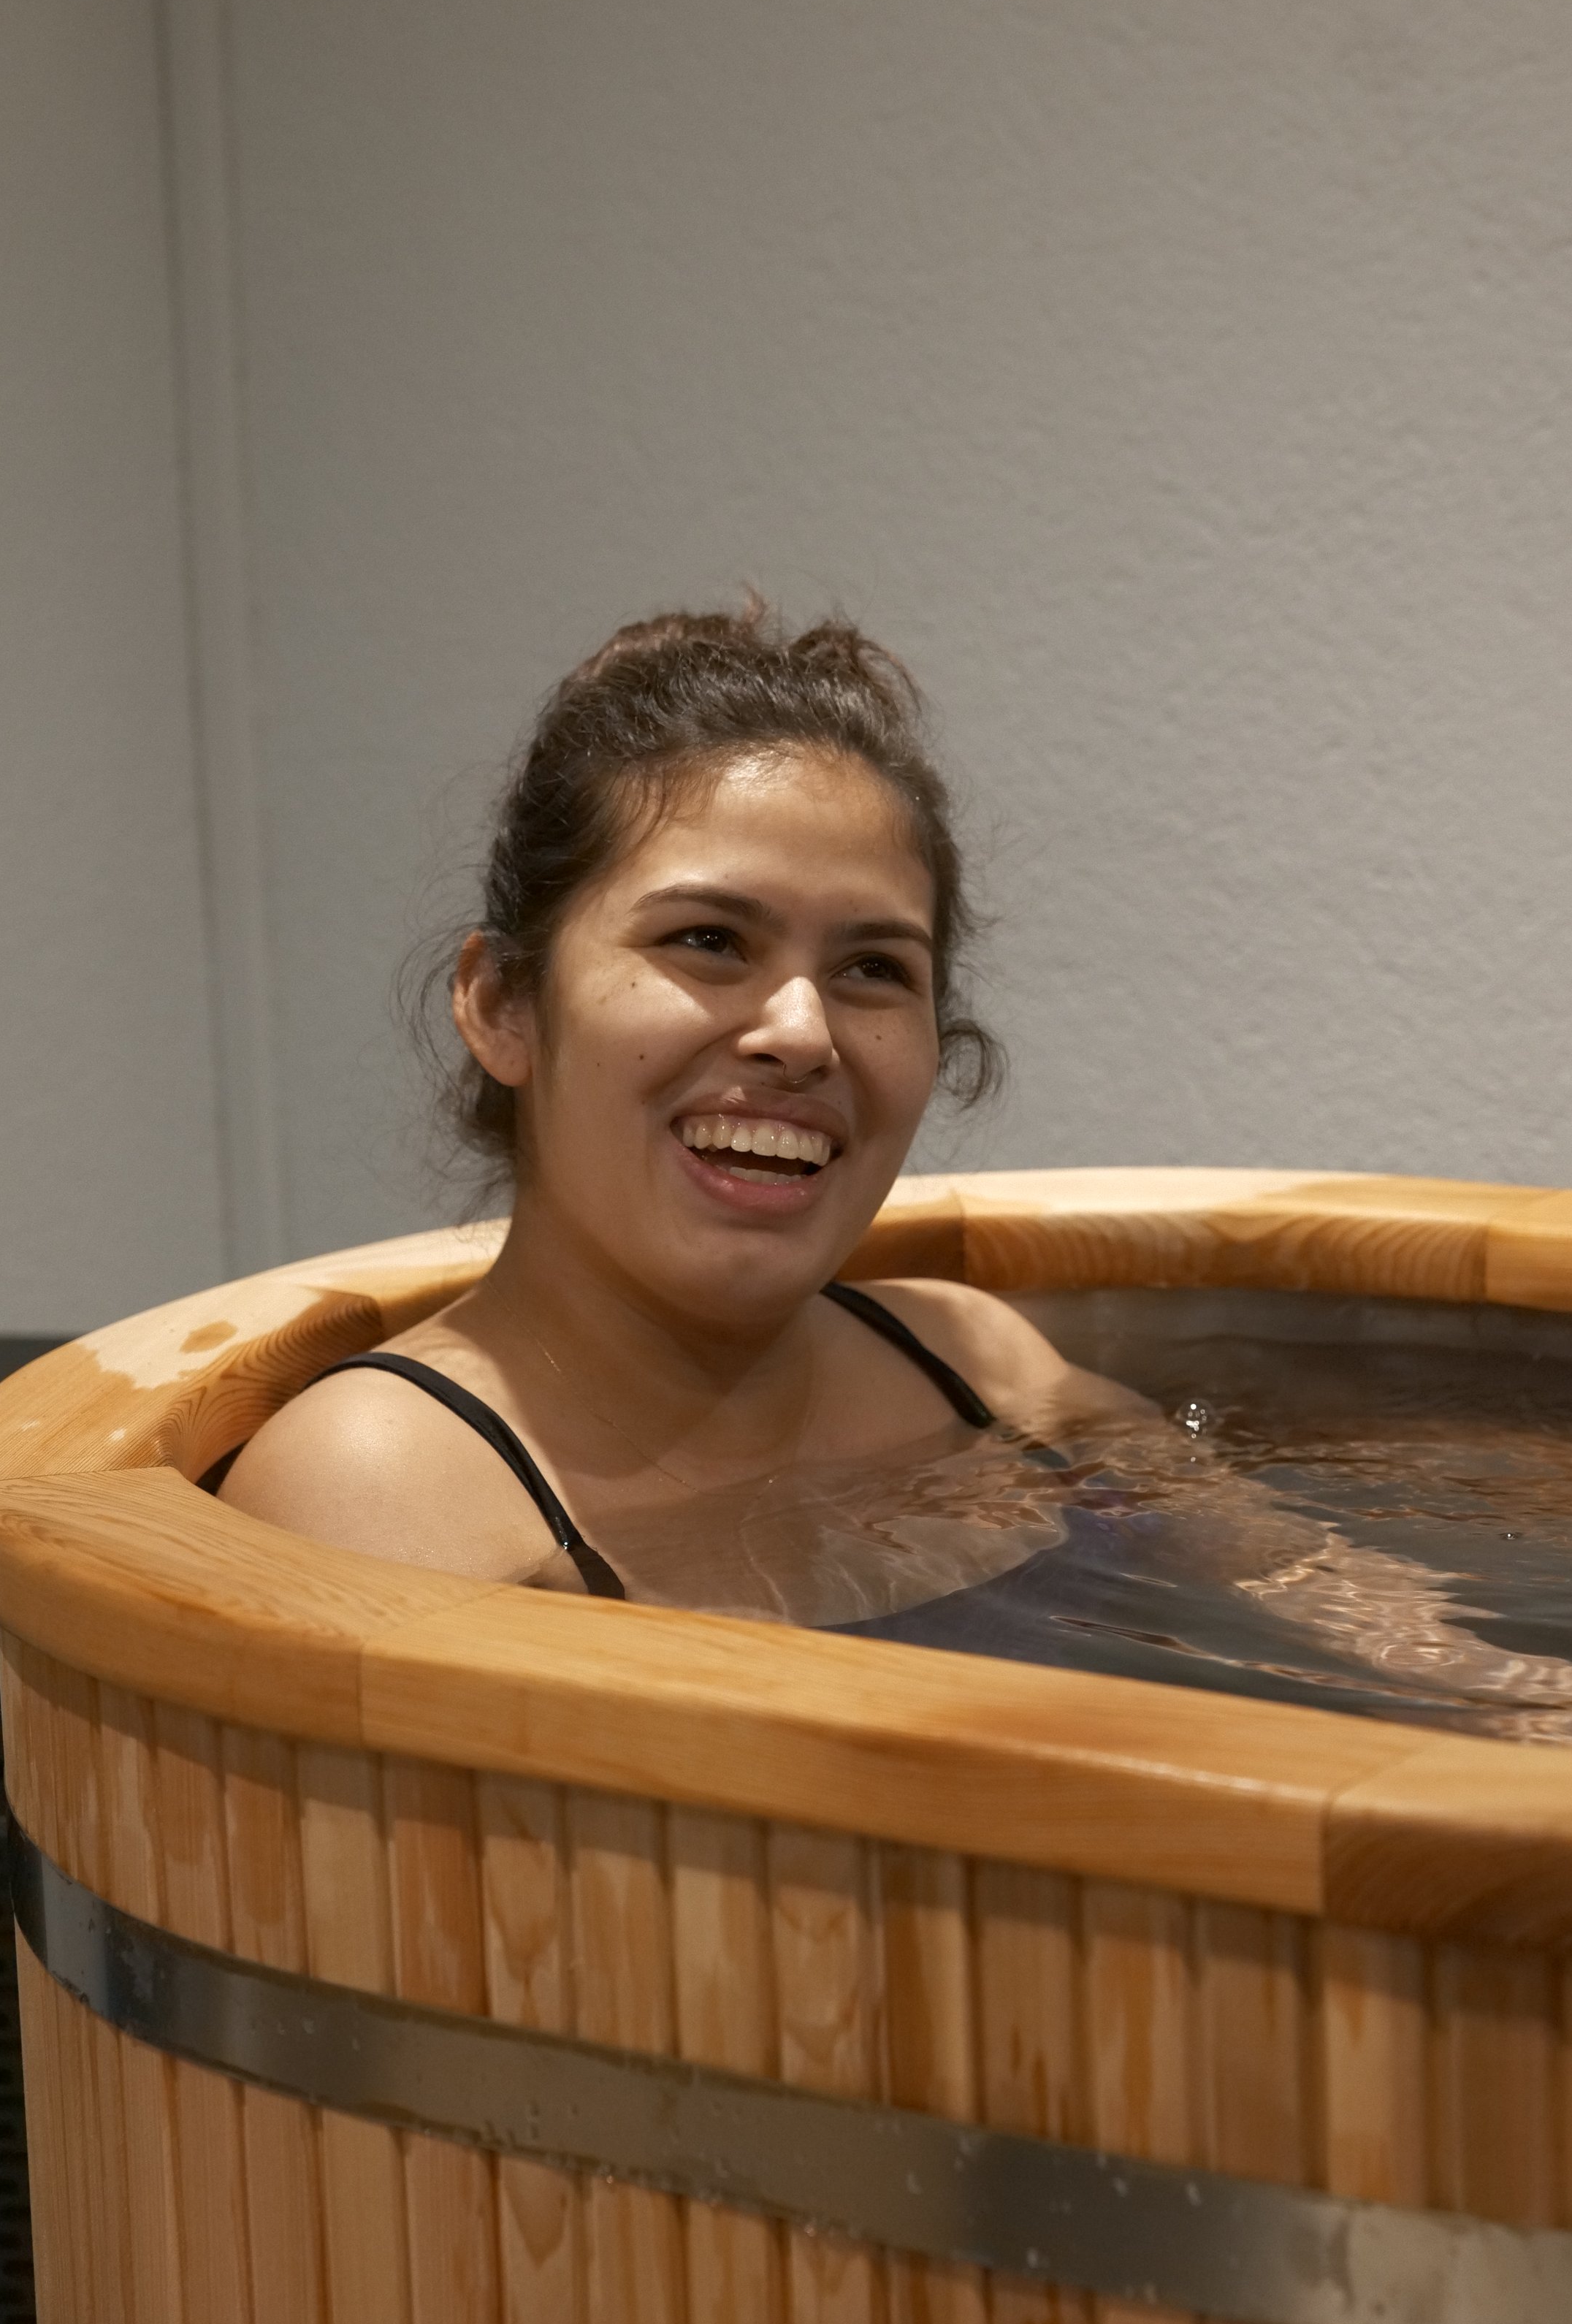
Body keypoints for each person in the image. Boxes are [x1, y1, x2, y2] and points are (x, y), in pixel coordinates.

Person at [222, 605, 1141, 1610]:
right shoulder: (384, 1481)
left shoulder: (981, 1369)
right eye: (706, 939)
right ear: (503, 1005)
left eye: (874, 967)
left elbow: (1313, 1603)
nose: (802, 1030)